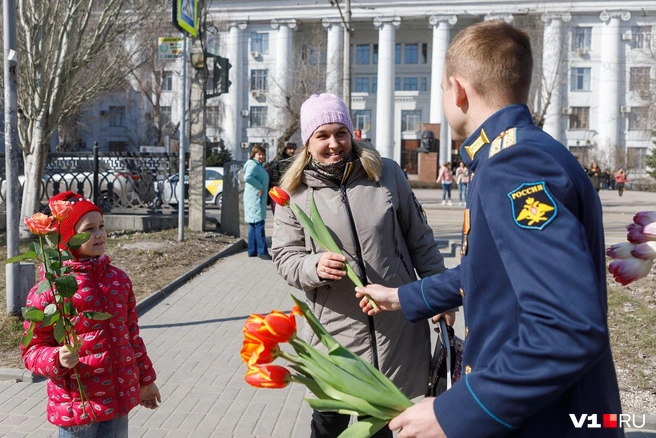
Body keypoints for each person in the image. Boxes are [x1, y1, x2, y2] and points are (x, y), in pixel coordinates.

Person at [355, 21, 621, 438]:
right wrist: (403, 296)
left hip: (541, 422)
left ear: (457, 90)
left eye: (441, 89)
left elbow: (567, 327)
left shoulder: (515, 166)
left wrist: (456, 411)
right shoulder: (526, 153)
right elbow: (492, 269)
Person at [271, 92, 446, 438]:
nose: (334, 143)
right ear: (308, 142)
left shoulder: (386, 175)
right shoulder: (294, 194)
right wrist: (314, 266)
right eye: (322, 136)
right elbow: (285, 257)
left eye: (341, 132)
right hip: (336, 335)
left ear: (352, 133)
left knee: (383, 426)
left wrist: (438, 294)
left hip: (394, 329)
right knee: (329, 426)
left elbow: (420, 239)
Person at [21, 191, 161, 437]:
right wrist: (56, 357)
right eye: (90, 229)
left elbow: (131, 335)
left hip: (117, 402)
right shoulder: (52, 290)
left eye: (102, 226)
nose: (100, 234)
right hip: (77, 406)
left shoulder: (118, 280)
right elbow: (32, 350)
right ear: (68, 238)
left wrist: (145, 380)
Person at [244, 145, 272, 260]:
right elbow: (248, 177)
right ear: (254, 154)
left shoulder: (257, 165)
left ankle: (252, 250)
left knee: (253, 224)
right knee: (259, 224)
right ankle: (262, 251)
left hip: (255, 199)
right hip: (255, 199)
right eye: (259, 154)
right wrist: (260, 187)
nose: (261, 156)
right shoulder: (253, 165)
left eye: (262, 154)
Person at [268, 142, 297, 214]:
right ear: (286, 149)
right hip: (281, 190)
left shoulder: (294, 160)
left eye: (293, 149)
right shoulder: (282, 161)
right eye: (290, 149)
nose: (292, 151)